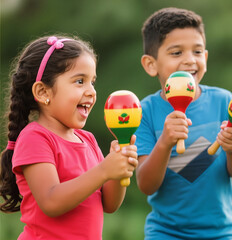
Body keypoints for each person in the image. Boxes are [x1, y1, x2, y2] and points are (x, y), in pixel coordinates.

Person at [0, 35, 138, 239]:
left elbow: (109, 205)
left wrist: (117, 172)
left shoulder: (88, 140)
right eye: (80, 81)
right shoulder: (35, 138)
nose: (91, 91)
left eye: (92, 82)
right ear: (42, 91)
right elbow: (51, 201)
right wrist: (103, 170)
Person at [135, 7, 232, 239]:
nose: (190, 60)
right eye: (176, 53)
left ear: (205, 58)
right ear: (151, 64)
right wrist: (165, 143)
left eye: (197, 51)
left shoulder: (224, 101)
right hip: (165, 232)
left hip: (222, 232)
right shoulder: (144, 111)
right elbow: (146, 185)